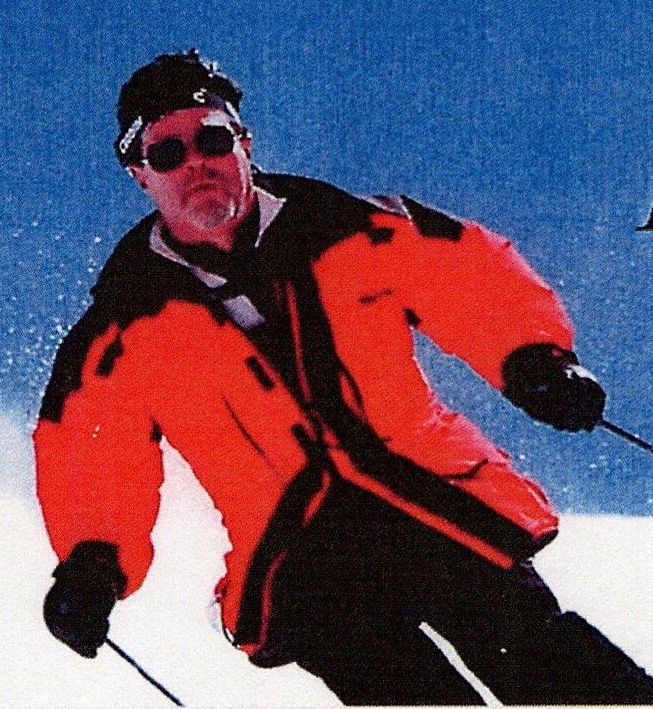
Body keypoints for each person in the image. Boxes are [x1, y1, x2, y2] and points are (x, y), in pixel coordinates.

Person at [35, 49, 653, 705]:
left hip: (431, 506)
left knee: (550, 665)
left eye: (211, 139)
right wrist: (92, 563)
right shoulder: (122, 327)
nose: (196, 164)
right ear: (139, 174)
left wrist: (535, 359)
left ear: (243, 144)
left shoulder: (349, 227)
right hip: (303, 560)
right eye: (166, 153)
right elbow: (90, 449)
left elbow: (467, 273)